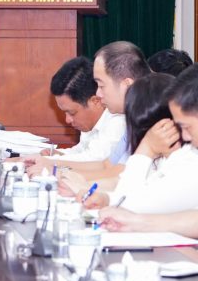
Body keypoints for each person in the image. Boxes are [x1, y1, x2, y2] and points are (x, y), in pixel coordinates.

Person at [63, 73, 191, 211]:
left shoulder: (186, 162)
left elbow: (134, 203)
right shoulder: (163, 157)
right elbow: (125, 183)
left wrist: (146, 149)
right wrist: (101, 195)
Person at [98, 64, 198, 226]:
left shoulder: (190, 162)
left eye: (185, 126)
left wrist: (146, 149)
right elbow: (139, 191)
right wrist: (105, 197)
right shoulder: (184, 154)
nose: (184, 135)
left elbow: (127, 207)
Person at [25, 57, 126, 177]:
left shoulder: (118, 120)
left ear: (96, 101)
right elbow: (81, 151)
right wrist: (57, 155)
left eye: (72, 113)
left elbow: (94, 160)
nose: (67, 120)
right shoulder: (90, 122)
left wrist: (49, 162)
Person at [91, 41, 151, 166]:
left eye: (101, 85)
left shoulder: (153, 116)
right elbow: (109, 166)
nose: (98, 93)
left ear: (127, 85)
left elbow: (121, 173)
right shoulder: (134, 115)